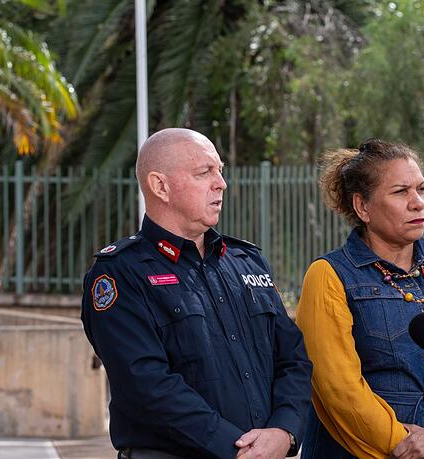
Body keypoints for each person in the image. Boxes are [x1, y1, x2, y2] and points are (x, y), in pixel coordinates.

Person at [81, 128, 312, 459]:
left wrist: (284, 431)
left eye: (220, 171)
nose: (221, 183)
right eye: (204, 172)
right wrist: (237, 448)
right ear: (160, 186)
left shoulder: (246, 261)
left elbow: (293, 359)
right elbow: (146, 385)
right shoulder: (121, 273)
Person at [295, 139, 424, 459]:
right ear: (362, 207)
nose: (417, 202)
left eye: (422, 189)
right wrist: (403, 444)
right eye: (400, 192)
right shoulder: (328, 276)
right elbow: (338, 388)